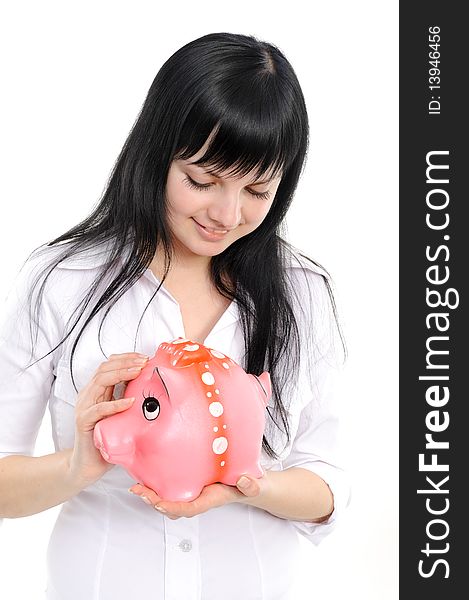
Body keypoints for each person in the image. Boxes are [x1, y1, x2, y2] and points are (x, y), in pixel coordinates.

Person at [0, 32, 350, 600]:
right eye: (201, 181)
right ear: (156, 153)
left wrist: (247, 486)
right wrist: (79, 466)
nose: (227, 214)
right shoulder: (60, 281)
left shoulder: (303, 292)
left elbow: (330, 484)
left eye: (257, 190)